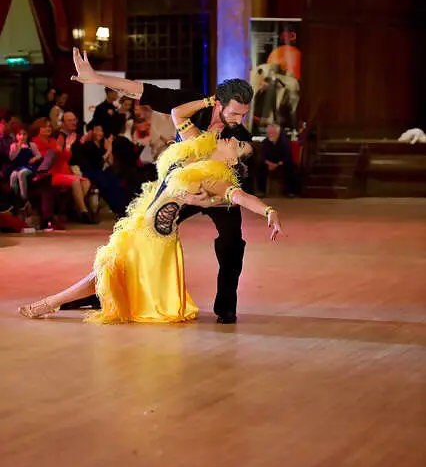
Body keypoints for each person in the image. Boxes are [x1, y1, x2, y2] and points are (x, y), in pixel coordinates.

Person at [18, 96, 281, 323]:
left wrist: (269, 211)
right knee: (113, 275)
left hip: (154, 236)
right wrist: (211, 101)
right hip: (139, 224)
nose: (228, 139)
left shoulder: (214, 177)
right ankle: (62, 302)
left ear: (233, 158)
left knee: (107, 270)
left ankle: (51, 302)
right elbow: (178, 114)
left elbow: (241, 197)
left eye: (235, 144)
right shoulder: (196, 148)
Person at [69, 48, 254, 323]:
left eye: (244, 114)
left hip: (214, 191)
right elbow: (144, 90)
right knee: (138, 235)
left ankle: (226, 305)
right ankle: (103, 292)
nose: (240, 120)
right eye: (236, 113)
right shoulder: (192, 103)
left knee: (232, 241)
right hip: (178, 188)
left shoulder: (237, 136)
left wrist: (211, 199)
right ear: (218, 103)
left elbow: (239, 176)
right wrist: (96, 78)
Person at [257, 122, 297, 197]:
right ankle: (261, 190)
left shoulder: (285, 141)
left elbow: (287, 156)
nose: (270, 134)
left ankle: (290, 191)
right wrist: (269, 163)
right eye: (269, 133)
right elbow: (262, 156)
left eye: (272, 132)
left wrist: (277, 164)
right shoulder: (266, 142)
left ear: (277, 132)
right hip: (269, 163)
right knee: (260, 166)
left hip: (281, 163)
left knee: (289, 167)